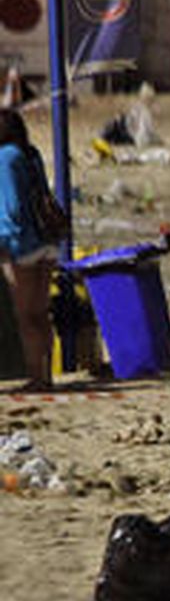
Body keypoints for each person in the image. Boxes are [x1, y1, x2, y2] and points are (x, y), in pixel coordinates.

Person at [0, 108, 55, 390]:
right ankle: (47, 375)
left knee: (25, 316)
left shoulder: (5, 157)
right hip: (47, 241)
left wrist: (4, 244)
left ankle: (36, 377)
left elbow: (11, 209)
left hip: (21, 245)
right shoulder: (31, 153)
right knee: (41, 313)